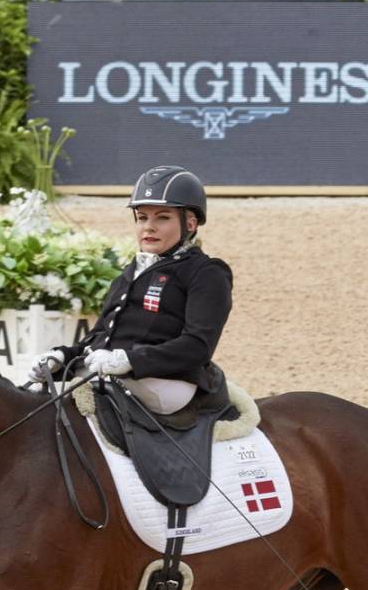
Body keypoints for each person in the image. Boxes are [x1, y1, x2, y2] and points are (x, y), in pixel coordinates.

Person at [31, 166, 231, 414]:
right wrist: (62, 357)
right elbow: (101, 336)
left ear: (189, 223)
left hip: (166, 383)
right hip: (114, 373)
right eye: (142, 217)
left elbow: (198, 346)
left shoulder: (207, 272)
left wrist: (129, 361)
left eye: (162, 217)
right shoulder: (131, 271)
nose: (149, 227)